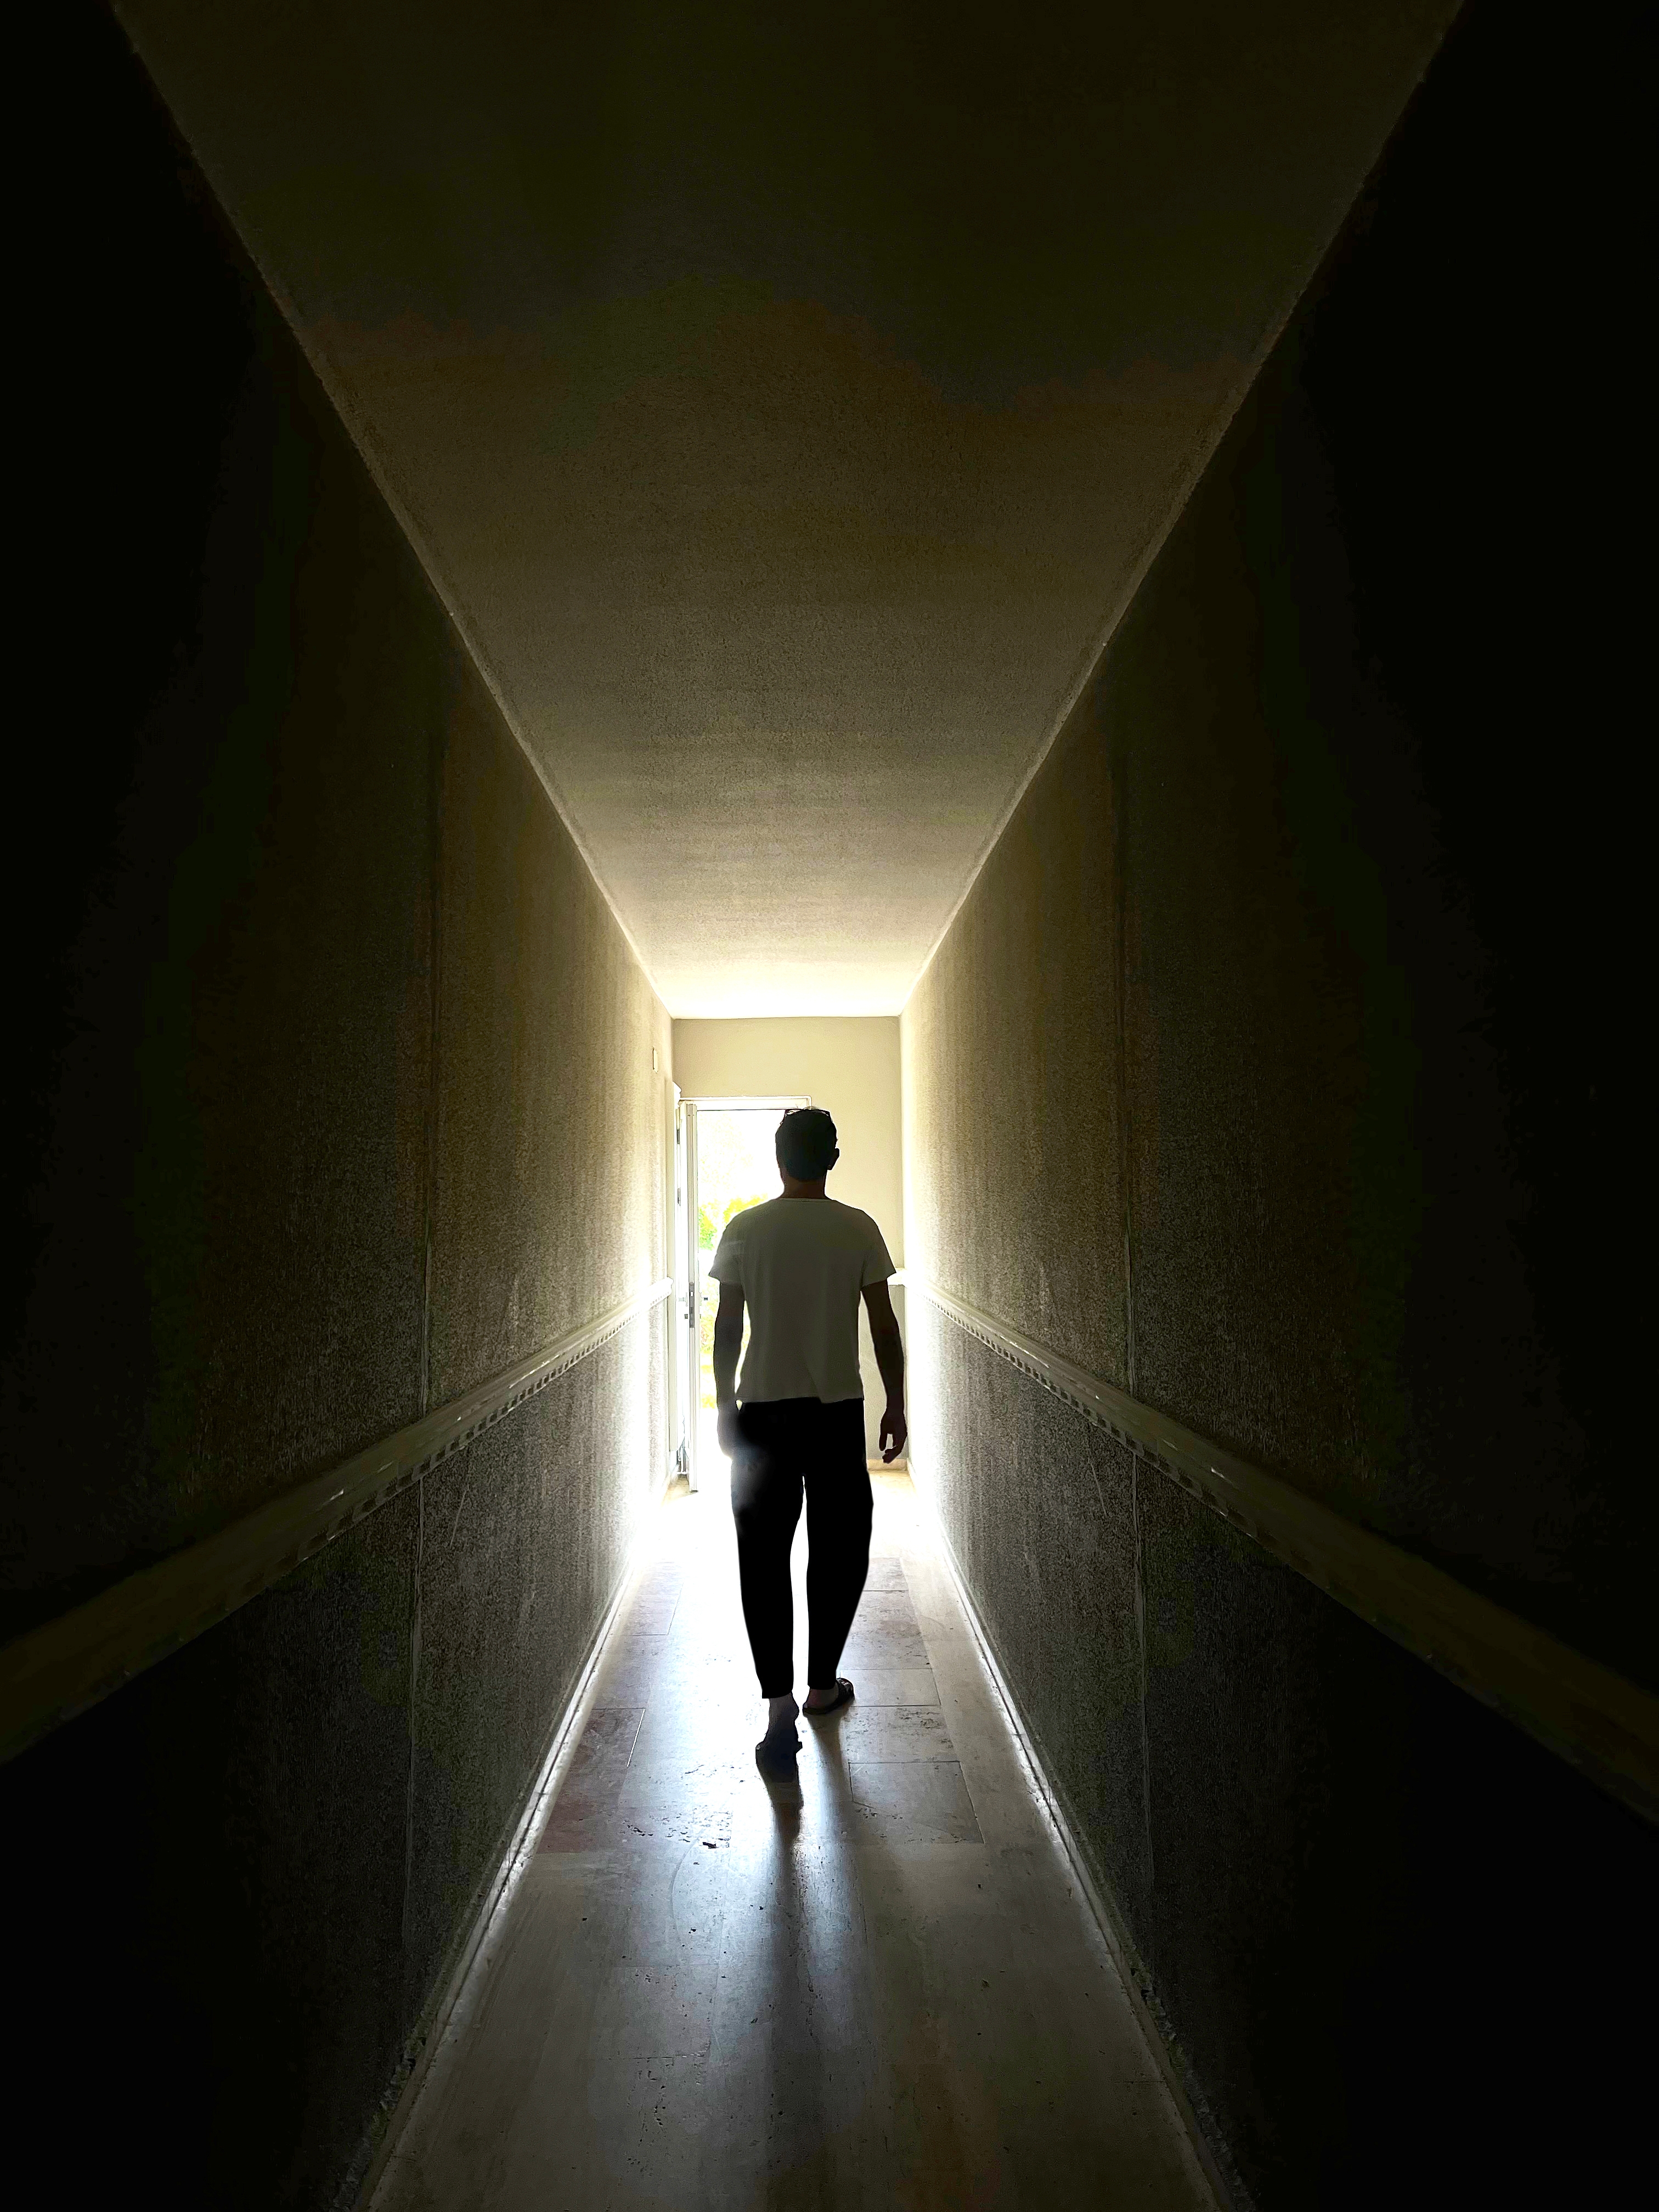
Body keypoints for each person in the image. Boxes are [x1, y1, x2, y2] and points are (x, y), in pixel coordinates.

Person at [710, 1105, 906, 1768]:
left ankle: (777, 1708)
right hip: (834, 1413)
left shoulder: (744, 1230)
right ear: (833, 1157)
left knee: (762, 1558)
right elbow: (883, 1327)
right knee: (841, 1550)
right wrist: (897, 1405)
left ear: (778, 1156)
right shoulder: (857, 1230)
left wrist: (723, 1404)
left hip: (763, 1413)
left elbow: (728, 1328)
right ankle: (823, 1686)